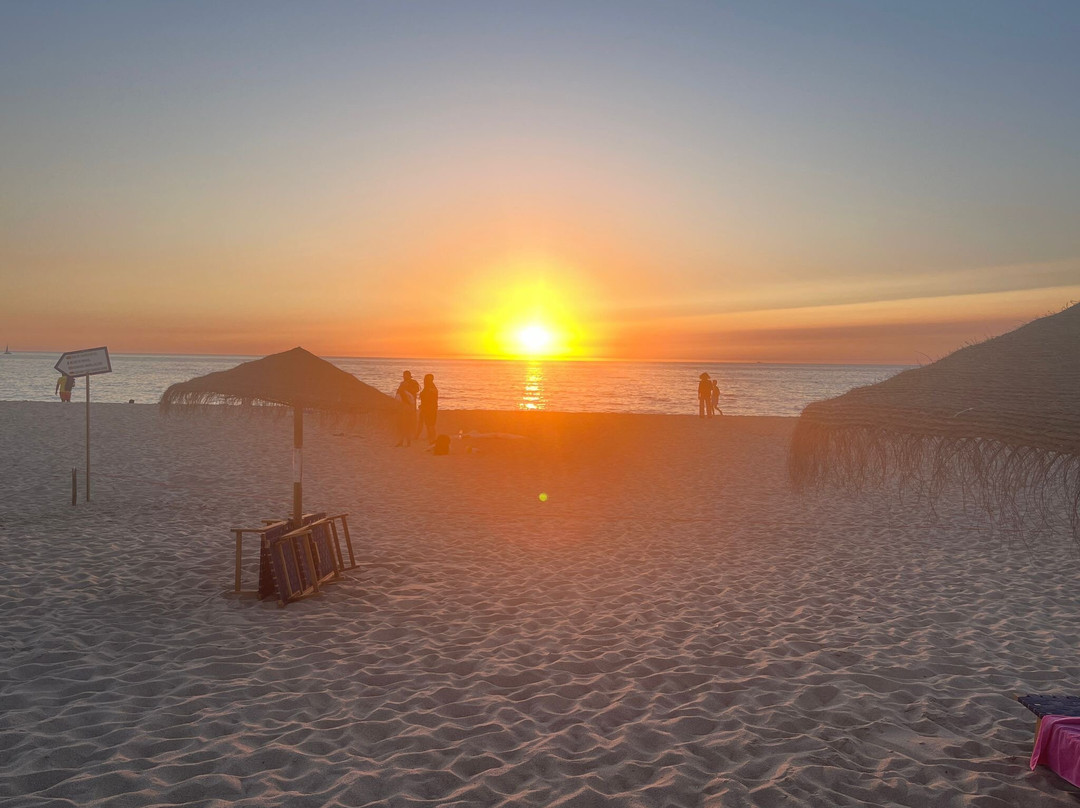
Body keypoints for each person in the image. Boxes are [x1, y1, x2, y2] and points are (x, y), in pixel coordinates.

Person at [394, 371, 420, 447]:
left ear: (409, 376)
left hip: (410, 407)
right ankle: (401, 441)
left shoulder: (414, 382)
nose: (404, 377)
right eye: (404, 376)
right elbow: (398, 393)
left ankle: (408, 441)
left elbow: (416, 390)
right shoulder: (402, 383)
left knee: (409, 424)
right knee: (402, 424)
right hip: (403, 406)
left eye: (406, 376)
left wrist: (407, 386)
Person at [415, 373, 439, 443]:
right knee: (427, 423)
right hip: (426, 408)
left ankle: (432, 438)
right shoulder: (429, 387)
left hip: (429, 408)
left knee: (430, 424)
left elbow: (430, 399)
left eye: (425, 379)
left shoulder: (431, 388)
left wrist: (424, 405)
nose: (424, 381)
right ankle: (427, 436)